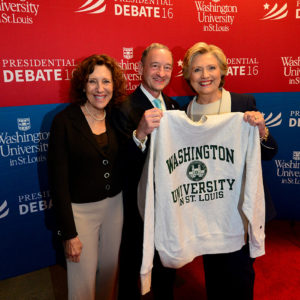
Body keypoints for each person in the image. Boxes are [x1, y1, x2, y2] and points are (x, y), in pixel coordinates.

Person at [182, 42, 278, 300]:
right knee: (213, 276)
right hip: (208, 212)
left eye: (211, 68)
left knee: (240, 278)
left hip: (240, 211)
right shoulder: (185, 113)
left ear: (222, 71)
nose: (205, 76)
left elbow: (270, 152)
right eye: (197, 70)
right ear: (188, 75)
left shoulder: (243, 103)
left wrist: (261, 130)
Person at [47, 54, 126, 300]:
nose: (100, 89)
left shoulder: (116, 116)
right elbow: (58, 182)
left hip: (115, 208)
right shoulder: (64, 122)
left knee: (109, 276)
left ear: (114, 85)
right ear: (83, 85)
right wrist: (69, 233)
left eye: (106, 81)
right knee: (81, 282)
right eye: (93, 81)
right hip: (80, 213)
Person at [112, 43, 179, 300]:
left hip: (169, 209)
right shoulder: (122, 108)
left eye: (167, 67)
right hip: (137, 210)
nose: (161, 73)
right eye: (155, 66)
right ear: (140, 68)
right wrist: (139, 134)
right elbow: (119, 167)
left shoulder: (175, 108)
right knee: (132, 274)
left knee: (166, 272)